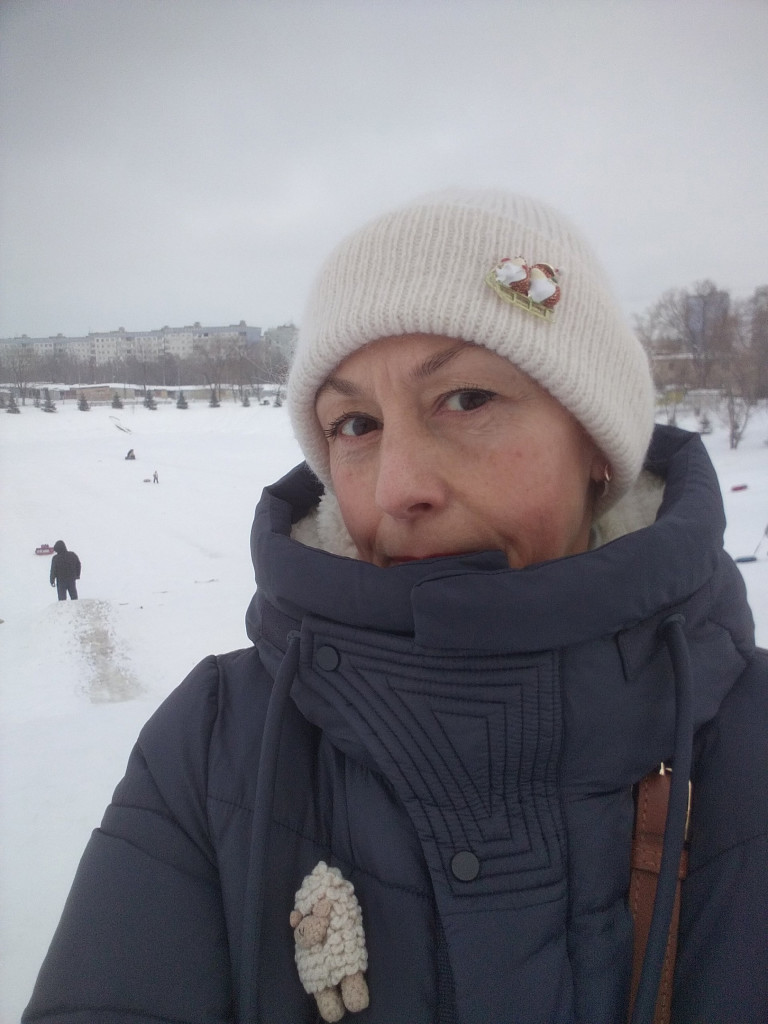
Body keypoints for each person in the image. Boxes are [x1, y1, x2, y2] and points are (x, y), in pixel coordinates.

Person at [24, 191, 767, 1023]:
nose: (397, 487)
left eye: (468, 399)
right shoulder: (212, 749)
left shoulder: (749, 738)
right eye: (355, 424)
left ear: (597, 442)